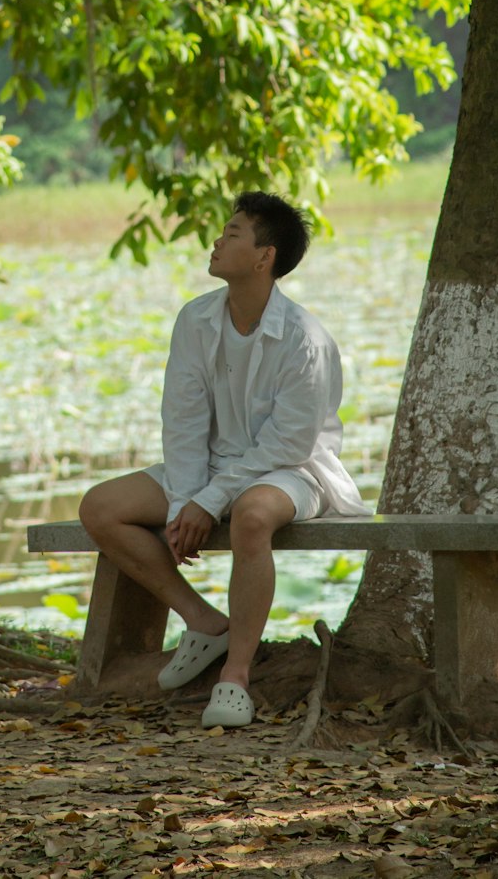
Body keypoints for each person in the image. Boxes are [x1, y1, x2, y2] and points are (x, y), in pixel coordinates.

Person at [79, 191, 367, 729]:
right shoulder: (196, 320)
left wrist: (210, 501)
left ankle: (235, 675)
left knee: (253, 516)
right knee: (100, 507)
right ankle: (204, 622)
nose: (217, 241)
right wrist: (186, 500)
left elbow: (288, 445)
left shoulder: (304, 340)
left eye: (233, 234)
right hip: (211, 466)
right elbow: (183, 420)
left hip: (291, 472)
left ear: (265, 257)